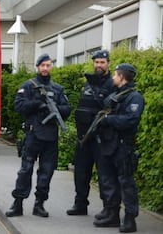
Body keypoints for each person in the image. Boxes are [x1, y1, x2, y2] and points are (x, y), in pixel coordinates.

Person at [5, 53, 71, 218]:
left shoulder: (57, 89)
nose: (45, 68)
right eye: (43, 65)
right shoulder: (28, 86)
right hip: (33, 134)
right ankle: (18, 203)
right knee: (25, 171)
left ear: (51, 67)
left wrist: (55, 107)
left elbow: (66, 110)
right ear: (37, 67)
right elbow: (19, 105)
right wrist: (37, 105)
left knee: (47, 172)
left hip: (50, 137)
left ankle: (39, 204)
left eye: (48, 65)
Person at [93, 63, 144, 233]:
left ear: (121, 77)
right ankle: (112, 214)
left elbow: (130, 120)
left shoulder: (134, 97)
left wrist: (109, 120)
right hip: (109, 144)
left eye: (115, 75)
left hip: (123, 146)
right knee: (109, 181)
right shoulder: (115, 95)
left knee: (126, 183)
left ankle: (130, 219)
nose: (113, 77)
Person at [67, 50, 116, 216]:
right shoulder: (88, 83)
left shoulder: (112, 84)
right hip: (84, 137)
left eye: (102, 62)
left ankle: (107, 208)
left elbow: (112, 110)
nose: (99, 65)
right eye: (96, 62)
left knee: (104, 174)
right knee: (81, 173)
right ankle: (80, 204)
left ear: (108, 63)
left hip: (101, 137)